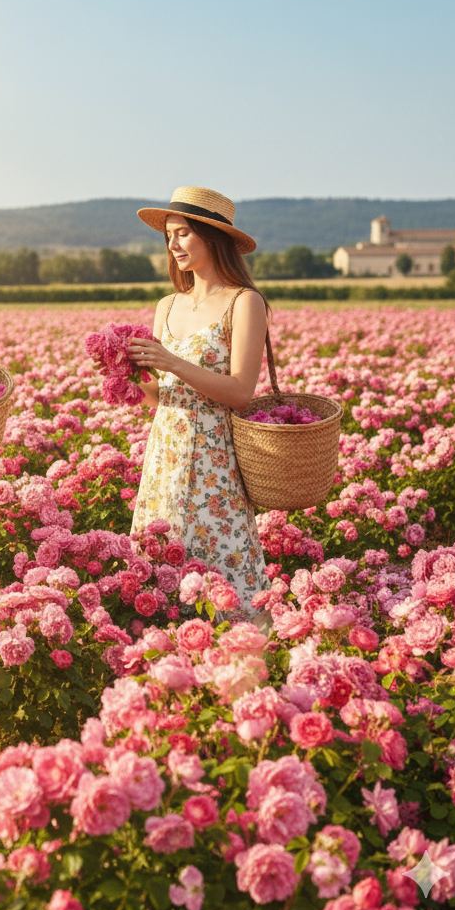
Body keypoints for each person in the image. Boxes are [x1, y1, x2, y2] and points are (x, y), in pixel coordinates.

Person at [127, 186, 270, 614]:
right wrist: (127, 378)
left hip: (215, 465)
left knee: (223, 580)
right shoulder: (167, 304)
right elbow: (159, 398)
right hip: (164, 460)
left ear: (213, 238)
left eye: (183, 233)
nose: (173, 244)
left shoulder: (245, 302)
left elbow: (241, 392)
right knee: (162, 577)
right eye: (169, 235)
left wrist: (170, 361)